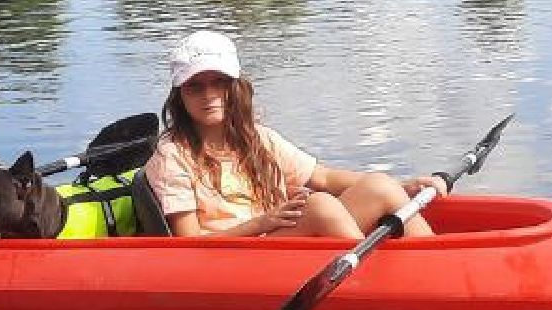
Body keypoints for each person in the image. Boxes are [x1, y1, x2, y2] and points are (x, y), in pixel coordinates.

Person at [145, 30, 446, 239]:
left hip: (279, 241)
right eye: (195, 86)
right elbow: (189, 240)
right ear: (179, 95)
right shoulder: (173, 154)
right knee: (319, 206)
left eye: (219, 83)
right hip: (234, 255)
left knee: (379, 185)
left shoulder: (258, 138)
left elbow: (324, 178)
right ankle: (372, 286)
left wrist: (406, 186)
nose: (208, 95)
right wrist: (260, 223)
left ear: (235, 88)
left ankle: (431, 263)